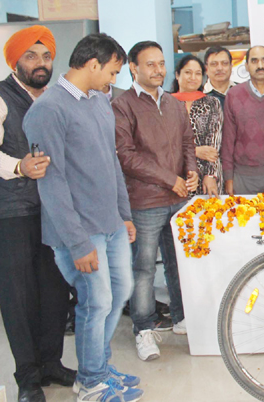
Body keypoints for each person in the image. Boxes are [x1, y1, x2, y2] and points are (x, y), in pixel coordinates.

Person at [23, 33, 143, 402]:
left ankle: (100, 369)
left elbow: (111, 163)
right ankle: (91, 383)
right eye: (112, 71)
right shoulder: (48, 109)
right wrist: (77, 242)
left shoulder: (99, 102)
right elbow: (52, 182)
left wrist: (124, 214)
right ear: (92, 64)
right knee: (96, 303)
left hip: (111, 225)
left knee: (118, 293)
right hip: (79, 232)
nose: (114, 80)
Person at [0, 26, 73, 402]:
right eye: (31, 56)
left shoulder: (57, 97)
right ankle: (27, 378)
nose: (40, 64)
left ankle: (51, 363)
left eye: (45, 56)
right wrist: (19, 166)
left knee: (56, 291)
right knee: (18, 297)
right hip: (10, 214)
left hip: (53, 211)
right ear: (15, 61)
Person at [112, 41, 198, 361]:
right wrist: (169, 179)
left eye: (161, 64)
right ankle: (144, 329)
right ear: (133, 68)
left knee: (178, 264)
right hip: (145, 201)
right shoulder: (122, 106)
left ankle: (180, 317)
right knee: (144, 269)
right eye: (150, 64)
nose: (158, 70)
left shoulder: (174, 104)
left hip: (179, 198)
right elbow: (127, 157)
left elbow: (188, 141)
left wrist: (190, 172)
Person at [222, 46, 264, 195]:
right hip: (243, 179)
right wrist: (228, 179)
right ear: (246, 66)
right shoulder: (234, 95)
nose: (260, 66)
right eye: (254, 61)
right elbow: (228, 141)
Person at [171, 55, 223, 197]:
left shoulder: (212, 103)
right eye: (188, 72)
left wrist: (211, 175)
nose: (193, 77)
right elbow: (163, 144)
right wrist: (195, 151)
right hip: (174, 175)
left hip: (206, 174)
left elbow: (214, 143)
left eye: (198, 73)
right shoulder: (166, 103)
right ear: (177, 75)